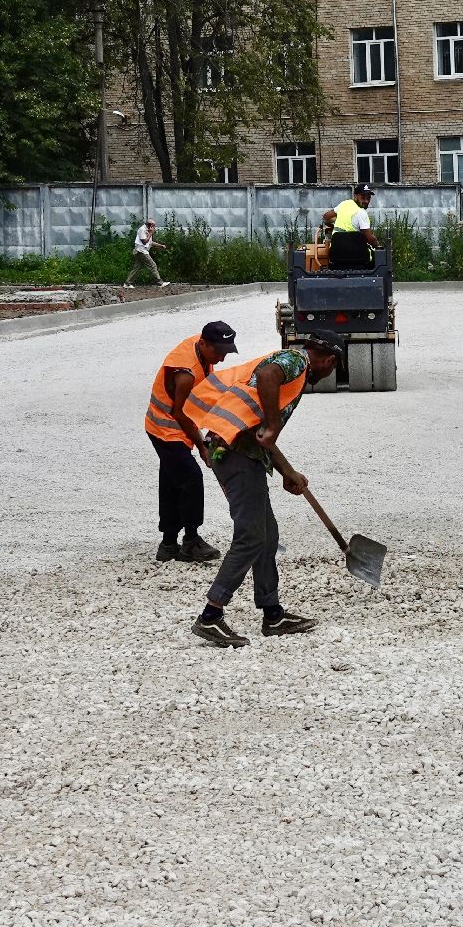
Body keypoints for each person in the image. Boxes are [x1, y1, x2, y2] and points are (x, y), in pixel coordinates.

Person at [180, 333, 346, 647]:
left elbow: (261, 438)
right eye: (333, 368)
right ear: (329, 360)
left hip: (240, 451)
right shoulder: (296, 361)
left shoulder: (290, 367)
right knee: (252, 535)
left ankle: (273, 613)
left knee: (267, 535)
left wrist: (286, 472)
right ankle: (210, 616)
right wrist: (272, 424)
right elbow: (268, 381)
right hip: (235, 454)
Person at [143, 320, 237, 563]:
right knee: (191, 479)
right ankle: (191, 542)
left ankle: (168, 543)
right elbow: (180, 413)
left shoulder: (202, 345)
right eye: (218, 352)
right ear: (204, 344)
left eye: (226, 352)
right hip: (166, 429)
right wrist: (202, 445)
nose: (222, 359)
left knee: (172, 481)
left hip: (176, 429)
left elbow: (204, 398)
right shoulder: (185, 373)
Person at [331, 183, 381, 254]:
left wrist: (334, 224)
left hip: (336, 256)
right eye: (363, 197)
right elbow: (370, 239)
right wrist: (378, 246)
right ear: (355, 196)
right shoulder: (361, 212)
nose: (366, 201)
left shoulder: (344, 204)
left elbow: (326, 217)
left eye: (368, 198)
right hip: (356, 258)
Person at [124, 219, 168, 288]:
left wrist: (160, 246)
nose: (154, 227)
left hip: (141, 251)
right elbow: (144, 241)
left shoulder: (147, 230)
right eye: (153, 226)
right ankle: (160, 282)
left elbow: (150, 242)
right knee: (152, 265)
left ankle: (127, 283)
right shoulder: (142, 230)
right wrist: (151, 233)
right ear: (149, 225)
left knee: (136, 268)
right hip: (141, 251)